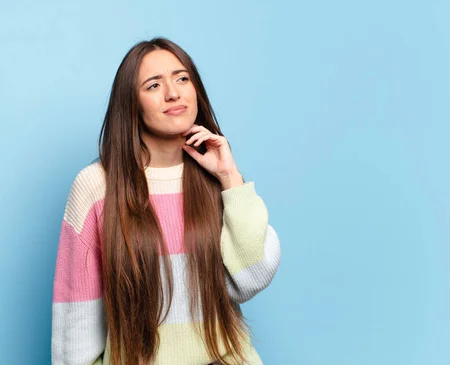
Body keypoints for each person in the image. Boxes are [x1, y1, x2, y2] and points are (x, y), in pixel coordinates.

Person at [51, 37, 281, 365]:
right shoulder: (97, 187)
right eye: (154, 84)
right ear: (131, 103)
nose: (173, 92)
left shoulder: (216, 177)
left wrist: (231, 178)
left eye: (182, 78)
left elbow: (251, 277)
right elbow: (76, 317)